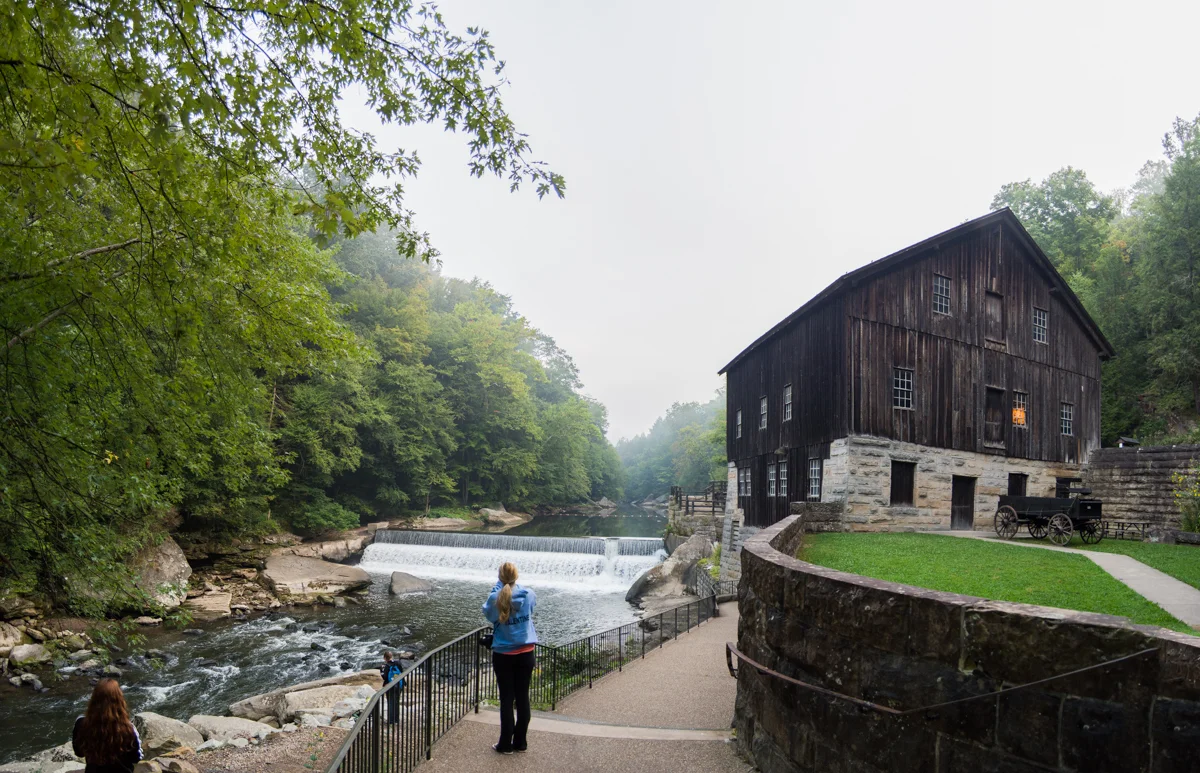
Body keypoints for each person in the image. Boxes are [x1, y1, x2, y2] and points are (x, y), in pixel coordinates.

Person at [481, 561, 537, 755]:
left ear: (500, 576)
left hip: (504, 654)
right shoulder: (529, 594)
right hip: (526, 652)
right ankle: (520, 742)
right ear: (516, 576)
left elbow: (489, 615)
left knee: (506, 699)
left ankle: (505, 745)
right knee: (523, 698)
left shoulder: (495, 598)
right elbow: (530, 610)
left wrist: (497, 591)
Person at [72, 678, 143, 773]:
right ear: (119, 699)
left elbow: (79, 753)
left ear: (94, 699)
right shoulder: (128, 728)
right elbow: (136, 758)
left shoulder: (81, 723)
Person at [380, 649, 404, 724]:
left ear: (384, 658)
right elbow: (402, 672)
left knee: (390, 702)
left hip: (390, 686)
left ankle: (391, 721)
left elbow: (385, 677)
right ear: (392, 657)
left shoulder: (386, 666)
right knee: (396, 702)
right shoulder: (398, 663)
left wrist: (381, 671)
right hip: (399, 685)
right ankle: (396, 719)